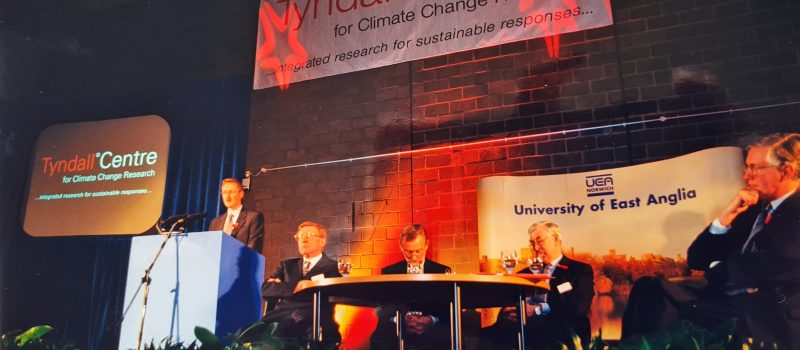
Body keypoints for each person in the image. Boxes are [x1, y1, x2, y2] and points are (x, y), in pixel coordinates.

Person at [686, 133, 800, 349]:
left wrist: (716, 269)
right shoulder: (752, 210)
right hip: (738, 303)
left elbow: (771, 264)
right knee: (651, 291)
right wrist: (725, 218)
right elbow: (697, 259)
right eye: (746, 167)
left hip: (776, 315)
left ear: (787, 171)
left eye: (755, 168)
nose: (747, 177)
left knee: (674, 317)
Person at [483, 220, 595, 349]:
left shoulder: (579, 270)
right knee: (486, 335)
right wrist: (506, 313)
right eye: (532, 243)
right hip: (525, 330)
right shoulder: (523, 274)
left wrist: (537, 311)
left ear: (556, 239)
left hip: (561, 332)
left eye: (540, 241)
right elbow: (511, 302)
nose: (536, 248)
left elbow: (578, 309)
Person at [253, 221, 342, 344]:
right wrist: (297, 286)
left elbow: (333, 293)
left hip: (313, 317)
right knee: (246, 333)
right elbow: (266, 289)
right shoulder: (287, 265)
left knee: (282, 332)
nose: (303, 239)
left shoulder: (334, 267)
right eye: (300, 236)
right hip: (279, 315)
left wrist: (282, 287)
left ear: (322, 241)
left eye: (309, 235)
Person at [370, 224, 452, 350]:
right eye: (408, 252)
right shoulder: (389, 272)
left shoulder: (442, 271)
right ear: (401, 247)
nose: (414, 257)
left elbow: (447, 309)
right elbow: (382, 310)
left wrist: (430, 320)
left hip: (431, 330)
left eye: (418, 251)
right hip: (399, 326)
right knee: (380, 334)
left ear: (426, 245)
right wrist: (401, 320)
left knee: (447, 333)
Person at [209, 178, 264, 251]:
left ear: (241, 194)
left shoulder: (253, 218)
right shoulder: (215, 223)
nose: (227, 196)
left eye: (231, 192)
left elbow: (253, 250)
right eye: (224, 192)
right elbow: (210, 248)